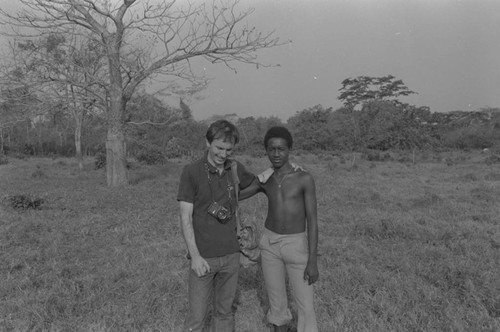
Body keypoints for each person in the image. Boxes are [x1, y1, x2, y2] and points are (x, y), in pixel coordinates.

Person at [177, 120, 255, 332]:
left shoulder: (235, 168)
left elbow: (259, 182)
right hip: (204, 256)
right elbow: (185, 218)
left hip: (231, 255)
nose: (223, 154)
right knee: (197, 317)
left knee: (224, 312)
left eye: (229, 150)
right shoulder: (191, 172)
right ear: (207, 143)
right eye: (219, 148)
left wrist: (289, 169)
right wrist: (195, 256)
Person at [240, 126, 319, 332]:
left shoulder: (304, 178)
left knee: (306, 306)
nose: (276, 154)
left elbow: (312, 220)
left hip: (296, 245)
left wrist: (312, 260)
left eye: (281, 149)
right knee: (276, 304)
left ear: (289, 149)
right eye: (271, 149)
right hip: (270, 244)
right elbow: (238, 195)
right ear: (265, 150)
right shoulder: (266, 179)